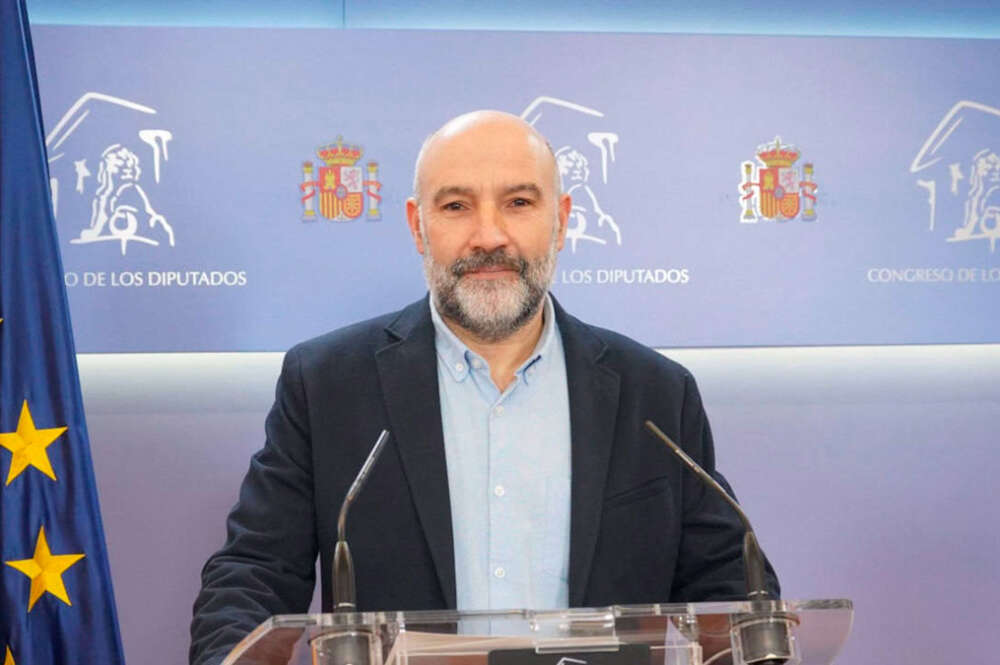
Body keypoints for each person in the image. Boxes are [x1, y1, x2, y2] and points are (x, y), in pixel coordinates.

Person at [190, 111, 778, 665]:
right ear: (418, 226)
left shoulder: (656, 393)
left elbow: (729, 585)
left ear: (561, 220)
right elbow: (253, 573)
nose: (489, 236)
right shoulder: (327, 385)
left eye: (519, 202)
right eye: (456, 206)